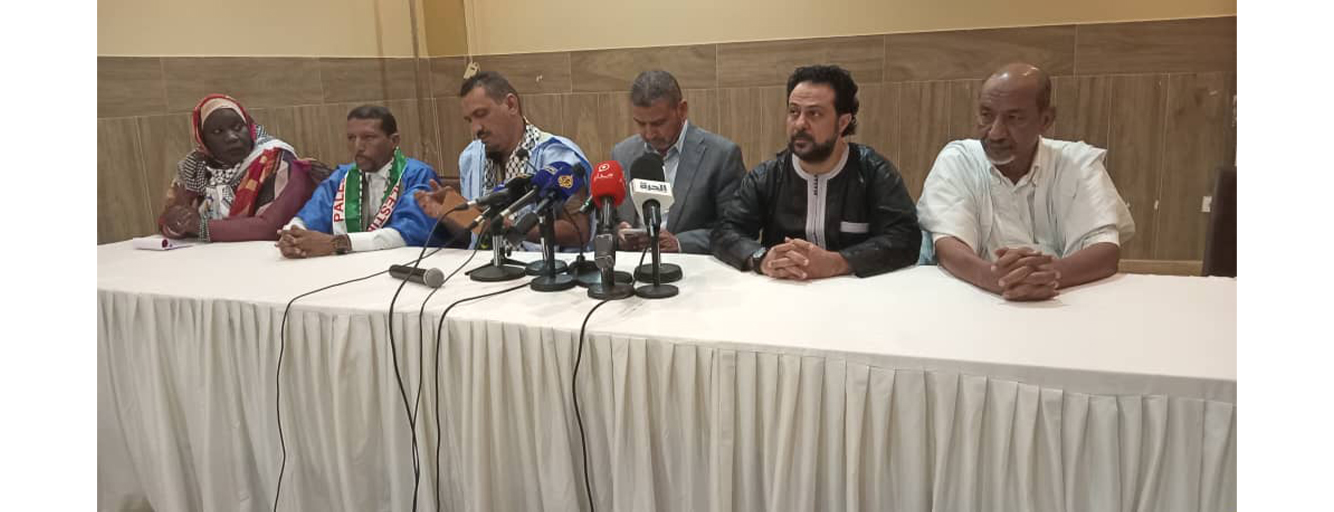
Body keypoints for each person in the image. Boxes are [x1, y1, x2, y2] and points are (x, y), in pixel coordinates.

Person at [916, 63, 1135, 301]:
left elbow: (1105, 251)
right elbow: (948, 245)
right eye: (986, 115)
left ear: (1046, 119)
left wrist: (1045, 277)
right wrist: (993, 278)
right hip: (978, 300)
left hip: (1064, 299)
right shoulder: (959, 159)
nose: (996, 133)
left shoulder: (1078, 163)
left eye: (1014, 118)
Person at [711, 65, 921, 279]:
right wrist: (762, 259)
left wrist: (840, 262)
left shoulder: (872, 172)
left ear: (842, 122)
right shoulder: (767, 176)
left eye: (814, 114)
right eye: (794, 112)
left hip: (855, 293)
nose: (800, 124)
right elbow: (725, 231)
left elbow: (906, 238)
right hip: (784, 290)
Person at [414, 71, 592, 250]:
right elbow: (474, 235)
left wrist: (512, 227)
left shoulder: (557, 156)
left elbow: (578, 233)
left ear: (511, 105)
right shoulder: (470, 158)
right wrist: (449, 213)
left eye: (481, 114)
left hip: (543, 266)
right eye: (469, 120)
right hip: (484, 264)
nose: (475, 128)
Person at [610, 70, 746, 254]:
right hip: (631, 265)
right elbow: (606, 223)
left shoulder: (721, 155)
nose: (649, 134)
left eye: (658, 123)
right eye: (641, 123)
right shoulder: (622, 153)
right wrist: (618, 234)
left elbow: (736, 230)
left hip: (692, 266)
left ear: (682, 110)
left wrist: (680, 243)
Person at [157, 94, 326, 242]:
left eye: (238, 127)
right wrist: (177, 222)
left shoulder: (275, 158)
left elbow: (270, 228)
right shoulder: (195, 167)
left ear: (250, 127)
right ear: (203, 141)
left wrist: (201, 227)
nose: (231, 137)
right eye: (218, 132)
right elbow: (170, 220)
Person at [276, 106, 438, 258]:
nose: (358, 146)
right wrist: (293, 236)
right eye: (351, 138)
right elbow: (310, 215)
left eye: (368, 137)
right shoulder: (342, 176)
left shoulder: (417, 174)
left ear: (394, 141)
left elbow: (409, 232)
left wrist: (337, 243)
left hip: (400, 263)